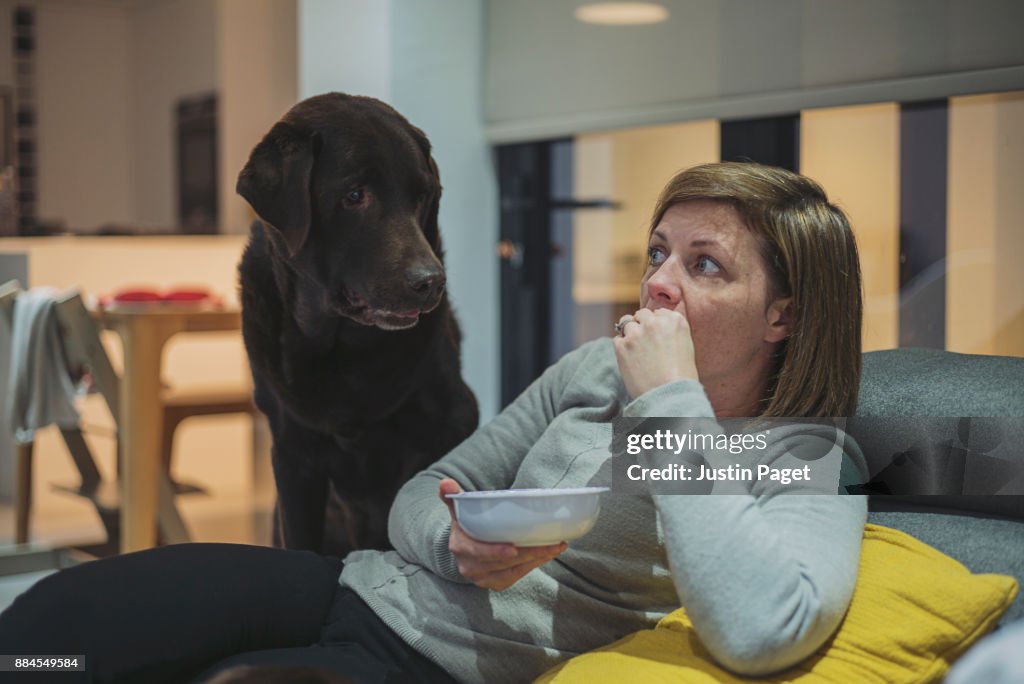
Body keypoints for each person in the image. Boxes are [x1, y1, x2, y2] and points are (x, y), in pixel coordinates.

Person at [0, 162, 867, 684]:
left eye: (705, 265)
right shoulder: (593, 369)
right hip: (353, 586)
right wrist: (453, 543)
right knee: (54, 631)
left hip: (441, 666)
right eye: (658, 252)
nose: (659, 284)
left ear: (783, 316)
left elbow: (760, 632)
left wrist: (669, 401)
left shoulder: (803, 451)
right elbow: (427, 488)